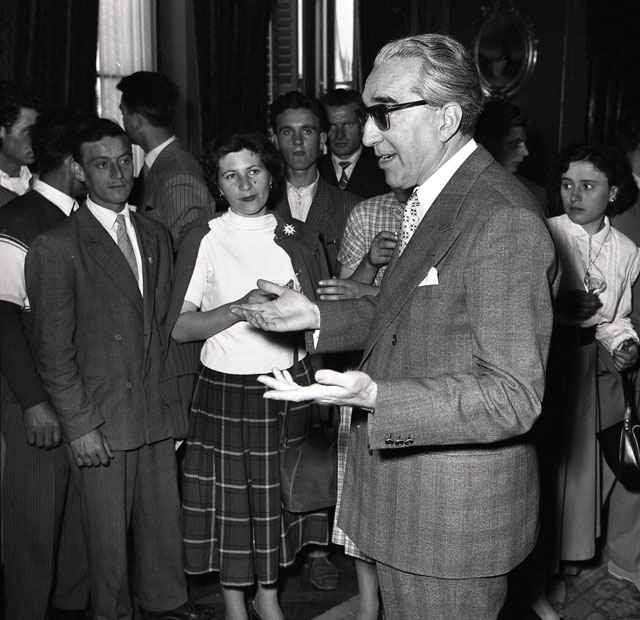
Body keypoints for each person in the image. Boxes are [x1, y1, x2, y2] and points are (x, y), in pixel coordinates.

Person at [231, 33, 557, 620]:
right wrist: (316, 316)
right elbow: (414, 309)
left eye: (383, 113)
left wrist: (377, 396)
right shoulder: (436, 196)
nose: (366, 136)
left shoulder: (501, 217)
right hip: (413, 506)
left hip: (449, 527)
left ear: (447, 118)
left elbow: (513, 396)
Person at [24, 117, 213, 620]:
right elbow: (53, 353)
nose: (117, 173)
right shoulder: (56, 246)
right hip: (102, 419)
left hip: (154, 411)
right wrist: (80, 425)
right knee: (106, 547)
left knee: (162, 529)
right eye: (102, 164)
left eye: (124, 161)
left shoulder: (153, 234)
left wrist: (176, 407)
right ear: (79, 171)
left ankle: (168, 605)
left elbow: (164, 328)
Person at [170, 131, 332, 620]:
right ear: (218, 185)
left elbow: (323, 322)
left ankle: (267, 596)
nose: (245, 185)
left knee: (276, 500)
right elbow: (179, 327)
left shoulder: (298, 237)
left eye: (254, 171)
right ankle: (234, 605)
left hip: (287, 384)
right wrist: (239, 309)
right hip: (226, 390)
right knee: (232, 503)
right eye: (231, 175)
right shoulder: (204, 237)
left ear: (271, 175)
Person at [0, 110, 90, 620]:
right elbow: (2, 320)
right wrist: (33, 403)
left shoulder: (78, 217)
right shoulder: (19, 221)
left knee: (77, 526)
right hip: (34, 398)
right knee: (33, 529)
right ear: (75, 164)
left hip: (75, 396)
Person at [544, 144, 640, 597]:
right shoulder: (545, 233)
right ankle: (540, 572)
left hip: (590, 367)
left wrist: (626, 346)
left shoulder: (626, 250)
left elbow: (617, 316)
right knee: (546, 468)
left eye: (588, 186)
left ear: (613, 192)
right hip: (546, 359)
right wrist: (557, 306)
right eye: (567, 185)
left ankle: (564, 561)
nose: (575, 196)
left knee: (580, 473)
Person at [270, 90, 360, 277]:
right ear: (275, 141)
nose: (297, 141)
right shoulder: (262, 204)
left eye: (307, 131)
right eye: (287, 132)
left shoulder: (351, 207)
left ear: (321, 140)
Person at [117, 71, 215, 242]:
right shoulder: (159, 165)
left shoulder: (179, 176)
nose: (123, 121)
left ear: (136, 121)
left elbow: (186, 249)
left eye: (124, 114)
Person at [475, 99, 548, 213]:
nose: (525, 152)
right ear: (490, 144)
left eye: (524, 143)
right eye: (514, 143)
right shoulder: (462, 187)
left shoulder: (535, 194)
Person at [317, 89, 390, 199]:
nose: (340, 135)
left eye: (348, 124)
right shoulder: (315, 170)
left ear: (362, 125)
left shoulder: (384, 168)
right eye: (332, 126)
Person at [0, 82, 40, 206]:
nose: (36, 138)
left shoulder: (42, 185)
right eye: (28, 131)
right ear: (1, 132)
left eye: (38, 131)